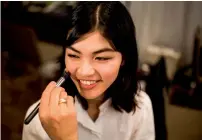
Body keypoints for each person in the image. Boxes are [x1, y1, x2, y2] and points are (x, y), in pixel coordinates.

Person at [22, 2, 155, 140]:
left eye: (101, 58)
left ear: (123, 59)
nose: (84, 72)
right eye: (73, 55)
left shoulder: (140, 108)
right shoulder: (39, 120)